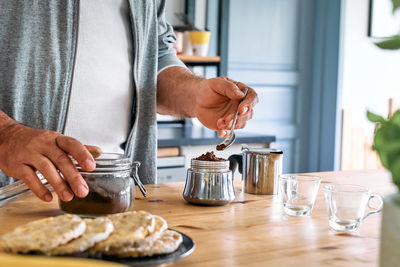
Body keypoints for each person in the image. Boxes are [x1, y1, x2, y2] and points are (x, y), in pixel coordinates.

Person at [0, 0, 258, 202]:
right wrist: (6, 135)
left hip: (121, 194)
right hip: (15, 196)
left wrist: (195, 93)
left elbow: (154, 57)